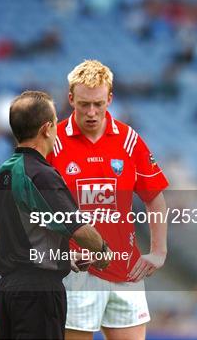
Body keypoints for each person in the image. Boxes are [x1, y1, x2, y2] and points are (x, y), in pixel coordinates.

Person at [47, 60, 169, 340]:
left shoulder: (129, 140)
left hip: (125, 270)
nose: (91, 112)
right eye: (84, 104)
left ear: (109, 99)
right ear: (70, 99)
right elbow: (31, 208)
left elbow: (155, 198)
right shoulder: (53, 142)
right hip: (74, 273)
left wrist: (159, 251)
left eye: (99, 104)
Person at [0, 90, 112, 339]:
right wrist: (102, 251)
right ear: (47, 128)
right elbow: (78, 228)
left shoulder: (2, 172)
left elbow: (25, 238)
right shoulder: (41, 173)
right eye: (56, 121)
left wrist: (65, 258)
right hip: (38, 293)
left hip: (8, 290)